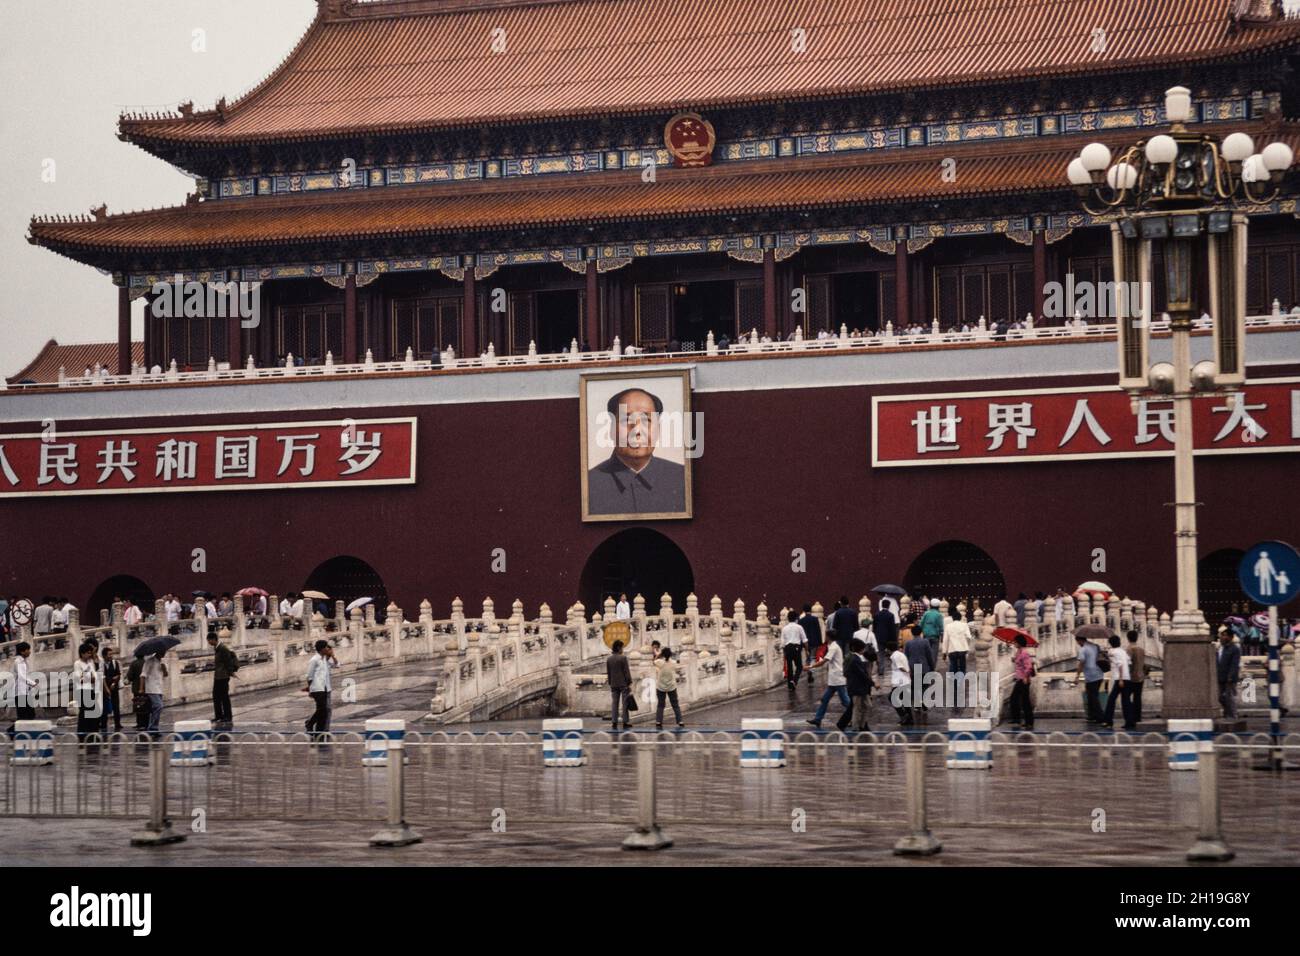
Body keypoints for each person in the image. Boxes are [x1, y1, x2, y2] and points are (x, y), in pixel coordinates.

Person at [586, 387, 687, 516]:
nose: (637, 431)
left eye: (646, 420)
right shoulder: (588, 485)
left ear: (659, 429)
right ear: (611, 429)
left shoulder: (682, 479)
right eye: (626, 420)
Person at [806, 634, 850, 729]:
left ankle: (855, 716)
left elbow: (824, 661)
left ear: (829, 637)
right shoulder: (833, 646)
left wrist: (810, 667)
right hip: (834, 680)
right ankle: (818, 719)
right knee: (825, 700)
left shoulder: (834, 647)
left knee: (846, 701)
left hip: (837, 679)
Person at [303, 640, 337, 737]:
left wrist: (333, 655)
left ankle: (319, 731)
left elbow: (336, 665)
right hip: (317, 688)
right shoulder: (314, 660)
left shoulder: (324, 660)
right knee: (323, 709)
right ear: (322, 649)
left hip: (325, 688)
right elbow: (309, 676)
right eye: (326, 647)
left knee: (323, 710)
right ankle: (309, 723)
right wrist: (310, 689)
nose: (328, 649)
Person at [839, 637, 873, 732]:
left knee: (865, 705)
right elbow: (862, 674)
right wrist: (872, 683)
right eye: (862, 648)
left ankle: (861, 725)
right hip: (857, 688)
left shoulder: (851, 657)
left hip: (859, 687)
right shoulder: (855, 659)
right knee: (857, 708)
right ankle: (857, 727)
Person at [1101, 635, 1134, 730]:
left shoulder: (1113, 652)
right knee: (1126, 701)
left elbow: (1120, 665)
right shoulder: (1123, 651)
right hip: (1127, 678)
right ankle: (1129, 722)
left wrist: (1120, 679)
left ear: (1111, 643)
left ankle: (1108, 721)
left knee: (1111, 700)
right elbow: (1128, 662)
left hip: (1120, 679)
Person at [903, 624, 936, 718]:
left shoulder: (908, 643)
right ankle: (924, 704)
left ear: (912, 633)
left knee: (916, 686)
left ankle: (917, 705)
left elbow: (906, 656)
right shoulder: (925, 642)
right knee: (925, 686)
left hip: (913, 667)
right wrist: (932, 667)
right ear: (921, 632)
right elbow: (929, 655)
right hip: (924, 667)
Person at [208, 630, 239, 726]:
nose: (209, 642)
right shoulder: (217, 648)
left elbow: (228, 662)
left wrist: (231, 673)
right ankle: (219, 716)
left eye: (209, 640)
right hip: (218, 676)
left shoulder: (223, 648)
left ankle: (227, 716)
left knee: (224, 697)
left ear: (213, 639)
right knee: (216, 697)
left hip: (223, 677)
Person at [5, 642, 38, 734]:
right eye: (28, 650)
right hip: (20, 693)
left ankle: (24, 733)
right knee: (23, 716)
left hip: (25, 692)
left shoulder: (24, 661)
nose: (30, 652)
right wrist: (33, 683)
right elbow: (22, 676)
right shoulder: (18, 662)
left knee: (31, 714)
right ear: (22, 651)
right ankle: (11, 732)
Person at [1074, 634, 1104, 724]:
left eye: (1077, 642)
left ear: (1079, 640)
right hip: (1099, 674)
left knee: (1093, 697)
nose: (1078, 643)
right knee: (1091, 695)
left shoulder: (1083, 650)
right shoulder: (1095, 646)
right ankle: (1092, 715)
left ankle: (1100, 717)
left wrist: (1077, 676)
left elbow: (1081, 663)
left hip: (1091, 676)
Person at [73, 642, 101, 737]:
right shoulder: (77, 663)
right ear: (82, 653)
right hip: (82, 690)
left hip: (91, 689)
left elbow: (95, 674)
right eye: (88, 653)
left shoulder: (90, 662)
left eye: (90, 653)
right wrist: (89, 677)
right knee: (84, 713)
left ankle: (92, 732)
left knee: (93, 712)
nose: (89, 655)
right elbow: (79, 677)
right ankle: (82, 734)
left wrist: (91, 677)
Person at [1008, 635, 1035, 729]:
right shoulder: (1018, 652)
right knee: (1014, 698)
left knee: (1025, 701)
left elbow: (1028, 667)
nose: (1014, 643)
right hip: (1019, 678)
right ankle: (1017, 719)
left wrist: (1025, 677)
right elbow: (1020, 663)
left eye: (1015, 642)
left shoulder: (1024, 653)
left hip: (1023, 679)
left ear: (1019, 643)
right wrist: (1014, 659)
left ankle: (1029, 722)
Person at [654, 647, 684, 730]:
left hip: (660, 687)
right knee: (675, 705)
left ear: (662, 654)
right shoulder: (673, 663)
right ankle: (680, 721)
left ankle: (658, 721)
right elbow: (678, 667)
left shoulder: (659, 662)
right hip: (671, 686)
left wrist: (658, 655)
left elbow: (653, 661)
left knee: (660, 705)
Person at [606, 639, 633, 730]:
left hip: (613, 684)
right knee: (624, 703)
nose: (623, 650)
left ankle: (614, 722)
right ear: (618, 648)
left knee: (614, 703)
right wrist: (629, 682)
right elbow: (626, 672)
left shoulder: (609, 659)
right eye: (622, 647)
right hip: (623, 684)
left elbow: (609, 673)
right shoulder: (623, 658)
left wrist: (610, 682)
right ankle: (625, 721)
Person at [142, 650, 169, 735]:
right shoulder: (150, 661)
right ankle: (152, 727)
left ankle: (155, 728)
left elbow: (165, 674)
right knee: (158, 706)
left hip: (159, 688)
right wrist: (141, 688)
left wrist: (164, 668)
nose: (164, 653)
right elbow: (143, 675)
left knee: (157, 708)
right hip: (151, 688)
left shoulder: (163, 662)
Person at [1217, 627, 1241, 720]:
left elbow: (1235, 664)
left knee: (1229, 697)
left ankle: (1233, 715)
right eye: (1221, 635)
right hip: (1220, 676)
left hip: (1229, 677)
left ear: (1230, 637)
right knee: (1220, 697)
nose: (1222, 637)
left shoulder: (1234, 649)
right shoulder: (1220, 648)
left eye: (1224, 635)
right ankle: (1227, 712)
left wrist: (1230, 676)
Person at [941, 605, 972, 675]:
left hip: (952, 649)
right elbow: (969, 637)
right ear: (961, 618)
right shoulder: (964, 625)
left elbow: (945, 640)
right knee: (962, 667)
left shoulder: (948, 626)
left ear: (952, 618)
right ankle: (960, 682)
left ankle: (953, 683)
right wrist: (967, 647)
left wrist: (944, 652)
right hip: (962, 649)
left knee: (953, 667)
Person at [780, 609, 806, 688]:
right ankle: (794, 680)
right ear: (796, 618)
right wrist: (807, 650)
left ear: (788, 618)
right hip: (796, 647)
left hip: (787, 648)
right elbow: (804, 639)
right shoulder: (799, 627)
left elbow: (783, 642)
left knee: (789, 667)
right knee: (799, 666)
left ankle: (790, 685)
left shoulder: (784, 628)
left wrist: (784, 651)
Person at [100, 645, 123, 734]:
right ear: (104, 656)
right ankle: (103, 724)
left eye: (111, 654)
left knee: (116, 706)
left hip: (114, 688)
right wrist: (106, 688)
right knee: (104, 707)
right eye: (109, 654)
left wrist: (114, 683)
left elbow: (118, 674)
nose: (111, 656)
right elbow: (102, 677)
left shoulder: (115, 663)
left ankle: (118, 723)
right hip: (104, 689)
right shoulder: (101, 664)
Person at [889, 641, 913, 726]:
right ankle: (910, 719)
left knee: (892, 698)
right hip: (905, 680)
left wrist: (908, 672)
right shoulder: (901, 654)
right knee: (905, 700)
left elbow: (900, 667)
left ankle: (904, 716)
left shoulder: (894, 656)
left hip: (900, 681)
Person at [874, 601, 898, 678]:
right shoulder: (891, 615)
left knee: (880, 653)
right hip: (888, 637)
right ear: (889, 606)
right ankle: (894, 668)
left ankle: (881, 670)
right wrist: (894, 639)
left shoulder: (877, 614)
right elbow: (892, 628)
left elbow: (874, 626)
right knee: (891, 654)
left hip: (879, 637)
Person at [1126, 630, 1146, 724]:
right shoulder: (1141, 650)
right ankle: (1137, 717)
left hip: (1131, 677)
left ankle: (1130, 717)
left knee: (1126, 697)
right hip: (1141, 676)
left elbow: (1128, 664)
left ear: (1128, 638)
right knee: (1137, 698)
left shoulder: (1129, 649)